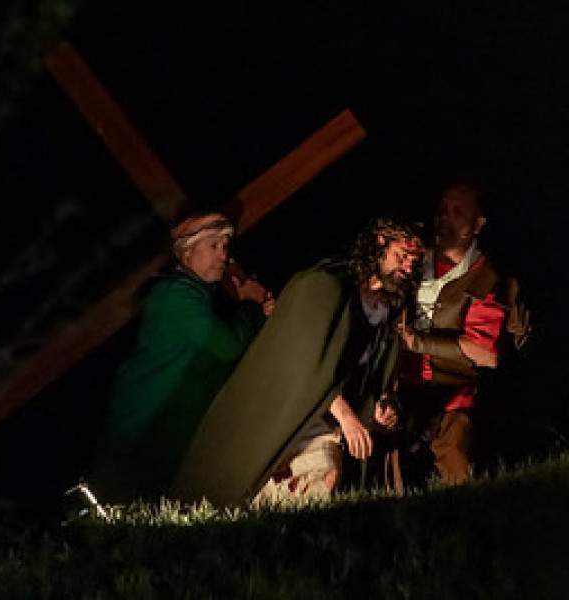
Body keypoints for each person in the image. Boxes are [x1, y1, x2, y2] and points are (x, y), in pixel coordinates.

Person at [171, 218, 423, 506]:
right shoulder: (323, 285)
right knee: (248, 490)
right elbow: (302, 362)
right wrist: (347, 417)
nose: (406, 268)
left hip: (324, 419)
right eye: (401, 256)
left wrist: (380, 406)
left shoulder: (387, 311)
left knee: (321, 481)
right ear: (379, 244)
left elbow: (370, 371)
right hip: (283, 408)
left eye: (412, 264)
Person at [92, 212, 274, 502]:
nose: (223, 256)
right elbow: (227, 345)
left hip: (169, 434)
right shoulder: (176, 295)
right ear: (187, 252)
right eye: (213, 246)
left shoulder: (200, 296)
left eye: (225, 247)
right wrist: (250, 306)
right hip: (144, 431)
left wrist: (255, 314)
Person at [396, 183, 528, 486]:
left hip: (453, 391)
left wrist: (417, 341)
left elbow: (487, 355)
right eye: (443, 209)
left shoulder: (485, 278)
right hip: (402, 388)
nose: (446, 217)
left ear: (478, 224)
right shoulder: (413, 261)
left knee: (457, 466)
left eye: (458, 211)